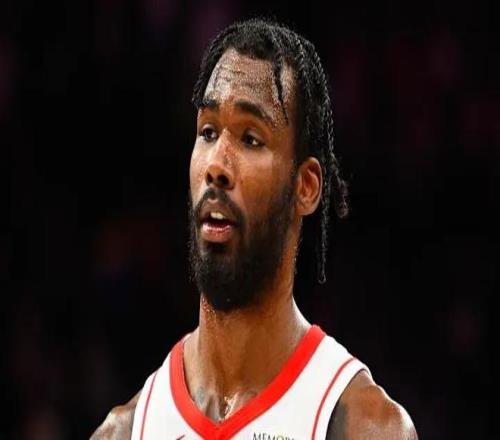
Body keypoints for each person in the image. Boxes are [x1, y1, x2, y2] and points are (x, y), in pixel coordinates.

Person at [91, 18, 418, 439]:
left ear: (306, 187)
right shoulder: (125, 430)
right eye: (208, 132)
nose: (217, 165)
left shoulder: (364, 426)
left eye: (250, 139)